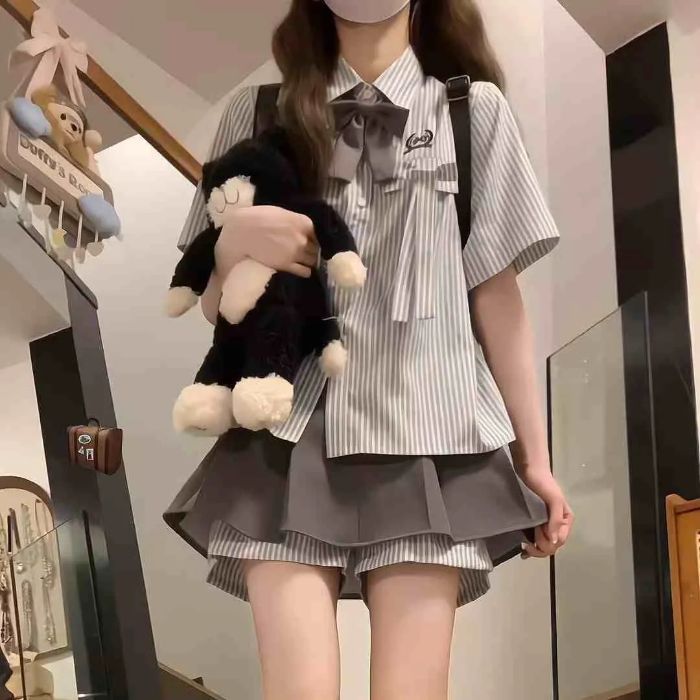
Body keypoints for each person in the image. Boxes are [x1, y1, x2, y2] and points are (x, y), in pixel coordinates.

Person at [165, 1, 574, 698]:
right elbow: (213, 305)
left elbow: (496, 295)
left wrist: (534, 459)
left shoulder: (473, 114)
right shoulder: (256, 114)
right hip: (284, 437)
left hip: (431, 436)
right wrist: (232, 245)